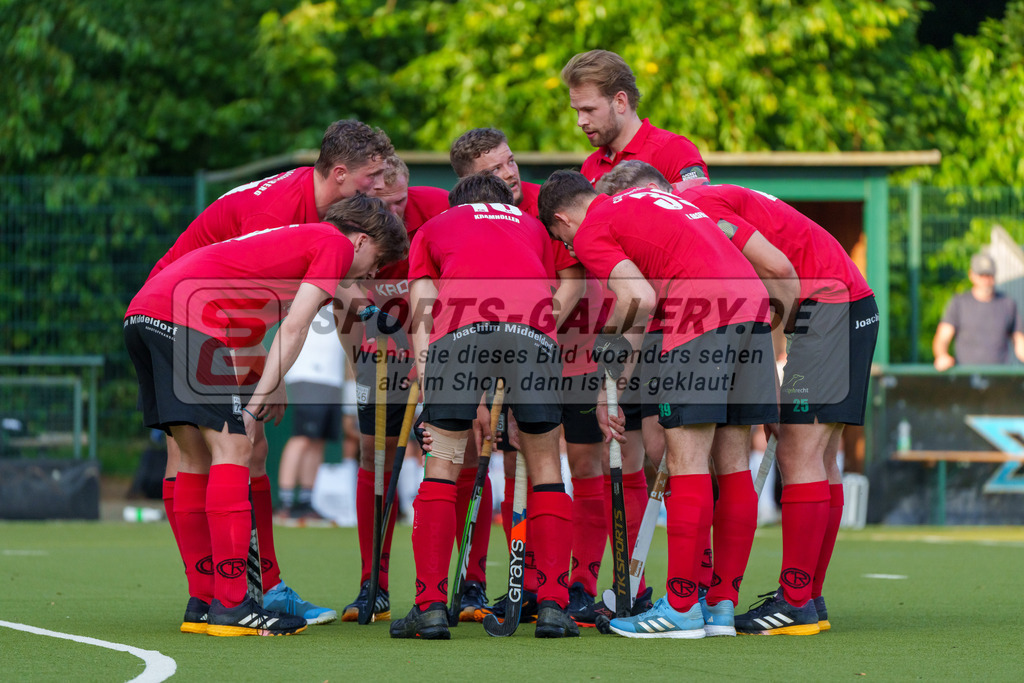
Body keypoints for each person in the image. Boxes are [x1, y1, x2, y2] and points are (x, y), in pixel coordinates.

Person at [597, 160, 878, 635]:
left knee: (798, 451)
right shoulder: (692, 203)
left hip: (823, 305)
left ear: (639, 194)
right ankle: (806, 596)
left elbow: (779, 269)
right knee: (821, 457)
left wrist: (775, 353)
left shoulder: (690, 205)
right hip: (846, 301)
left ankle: (795, 601)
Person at [124, 195, 406, 636]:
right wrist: (254, 406)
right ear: (362, 239)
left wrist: (366, 311)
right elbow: (293, 327)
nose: (373, 272)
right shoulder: (332, 243)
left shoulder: (301, 239)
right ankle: (234, 605)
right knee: (235, 447)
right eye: (377, 260)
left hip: (145, 313)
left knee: (196, 457)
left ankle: (203, 603)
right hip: (186, 319)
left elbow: (291, 309)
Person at [538, 170, 778, 640]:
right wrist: (619, 386)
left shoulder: (588, 231)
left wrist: (608, 376)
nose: (569, 250)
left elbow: (639, 298)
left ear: (563, 221)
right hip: (752, 309)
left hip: (703, 314)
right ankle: (720, 607)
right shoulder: (643, 200)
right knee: (731, 464)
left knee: (687, 462)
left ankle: (682, 608)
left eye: (560, 239)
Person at [389, 172, 579, 640]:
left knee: (444, 465)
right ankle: (554, 605)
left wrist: (428, 374)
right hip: (533, 335)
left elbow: (424, 304)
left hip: (459, 336)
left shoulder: (436, 224)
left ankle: (430, 607)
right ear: (503, 199)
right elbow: (562, 287)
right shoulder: (533, 225)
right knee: (546, 467)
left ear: (458, 202)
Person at [449, 129, 587, 622]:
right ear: (469, 183)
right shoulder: (463, 214)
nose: (509, 175)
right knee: (499, 461)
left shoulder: (541, 204)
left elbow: (574, 277)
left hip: (545, 346)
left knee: (534, 461)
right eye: (493, 171)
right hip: (483, 341)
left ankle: (541, 584)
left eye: (510, 161)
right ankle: (487, 581)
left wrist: (533, 329)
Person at [337, 156, 452, 622]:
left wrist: (435, 364)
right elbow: (342, 305)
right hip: (381, 352)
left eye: (401, 200)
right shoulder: (352, 229)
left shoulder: (439, 210)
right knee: (373, 454)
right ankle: (374, 583)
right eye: (383, 205)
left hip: (443, 345)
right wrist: (355, 365)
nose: (395, 213)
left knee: (449, 453)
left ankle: (468, 583)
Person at [560, 49, 708, 186]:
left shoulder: (675, 151)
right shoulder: (590, 165)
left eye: (589, 109)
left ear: (620, 102)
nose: (580, 121)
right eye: (577, 111)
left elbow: (702, 209)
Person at [275, 303, 348, 527]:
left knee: (318, 441)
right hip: (309, 372)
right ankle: (285, 502)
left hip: (332, 377)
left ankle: (306, 501)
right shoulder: (313, 288)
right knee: (303, 437)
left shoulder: (347, 291)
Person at [933, 252, 1024, 370]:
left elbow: (1019, 341)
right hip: (965, 378)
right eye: (982, 275)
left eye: (989, 275)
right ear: (972, 275)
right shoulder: (959, 303)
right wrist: (941, 356)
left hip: (999, 379)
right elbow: (942, 337)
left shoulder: (1007, 304)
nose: (985, 280)